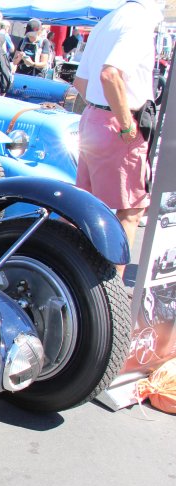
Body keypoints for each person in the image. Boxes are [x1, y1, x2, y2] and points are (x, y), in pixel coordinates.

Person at [72, 0, 163, 280]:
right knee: (131, 210)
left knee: (86, 206)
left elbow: (81, 81)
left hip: (94, 118)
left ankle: (75, 275)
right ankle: (113, 294)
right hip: (117, 123)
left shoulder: (108, 20)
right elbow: (110, 74)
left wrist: (103, 112)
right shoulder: (138, 22)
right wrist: (125, 124)